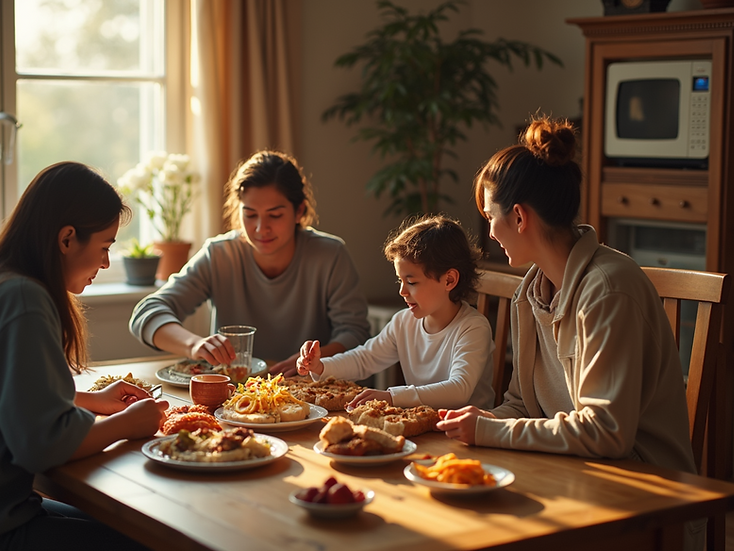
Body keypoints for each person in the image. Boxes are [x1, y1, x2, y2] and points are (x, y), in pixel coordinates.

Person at [439, 116, 703, 548]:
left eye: (490, 217)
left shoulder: (608, 290)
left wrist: (489, 433)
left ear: (519, 216)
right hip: (572, 473)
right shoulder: (532, 292)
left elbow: (606, 432)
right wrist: (482, 420)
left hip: (644, 496)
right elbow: (522, 404)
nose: (489, 232)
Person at [0, 162, 168, 551]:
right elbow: (43, 447)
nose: (107, 263)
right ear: (66, 239)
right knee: (155, 539)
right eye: (105, 246)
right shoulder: (23, 300)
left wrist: (91, 401)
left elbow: (3, 398)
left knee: (135, 528)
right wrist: (129, 423)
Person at [129, 150, 370, 375]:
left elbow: (355, 333)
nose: (260, 228)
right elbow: (146, 314)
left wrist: (311, 362)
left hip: (311, 392)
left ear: (299, 211)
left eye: (275, 215)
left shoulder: (330, 255)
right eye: (250, 214)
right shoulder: (220, 255)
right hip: (235, 396)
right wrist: (195, 345)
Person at [296, 215, 495, 410]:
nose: (402, 291)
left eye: (412, 282)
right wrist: (320, 366)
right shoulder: (403, 322)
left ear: (449, 280)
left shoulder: (473, 328)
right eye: (400, 280)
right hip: (424, 426)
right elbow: (364, 358)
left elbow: (459, 390)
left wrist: (392, 396)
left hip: (469, 434)